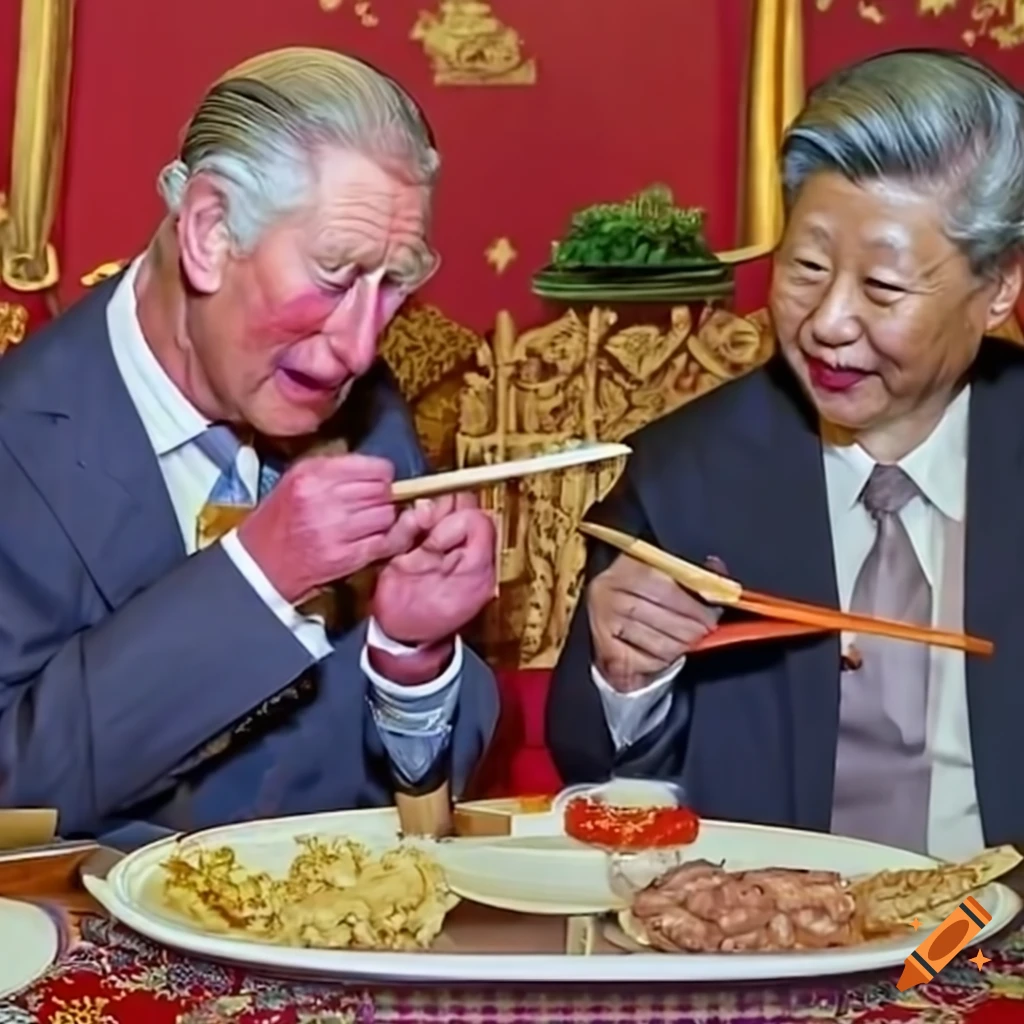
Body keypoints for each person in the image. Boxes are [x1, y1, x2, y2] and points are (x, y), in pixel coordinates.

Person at [0, 48, 499, 846]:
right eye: (335, 277)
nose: (360, 348)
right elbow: (10, 792)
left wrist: (411, 655)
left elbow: (412, 802)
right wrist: (256, 580)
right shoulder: (16, 439)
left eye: (395, 285)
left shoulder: (363, 414)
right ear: (207, 231)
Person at [547, 49, 1024, 860]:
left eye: (883, 289)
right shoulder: (684, 474)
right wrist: (631, 679)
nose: (828, 321)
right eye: (805, 267)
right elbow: (596, 770)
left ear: (1001, 288)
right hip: (774, 939)